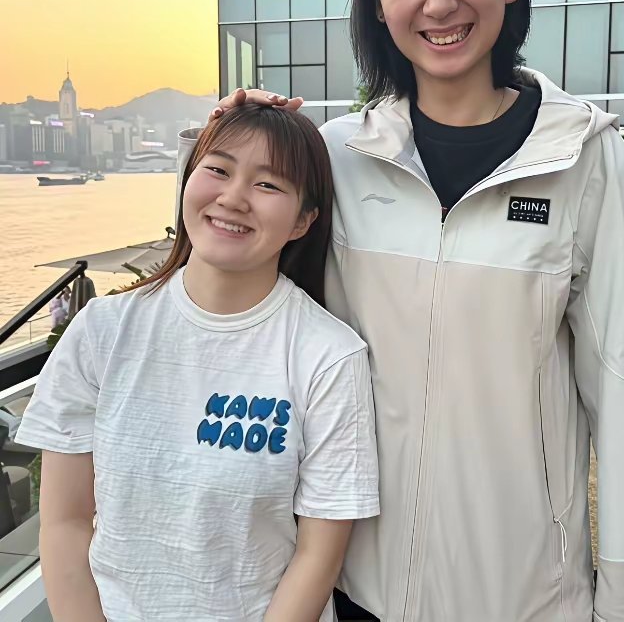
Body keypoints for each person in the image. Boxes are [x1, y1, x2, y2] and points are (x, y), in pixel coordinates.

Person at [193, 0, 624, 621]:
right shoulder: (338, 157)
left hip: (527, 599)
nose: (439, 2)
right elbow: (232, 294)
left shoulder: (585, 157)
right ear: (378, 4)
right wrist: (229, 144)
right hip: (353, 588)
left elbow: (622, 395)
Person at [16, 105, 379, 622]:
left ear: (303, 220)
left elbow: (317, 555)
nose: (233, 198)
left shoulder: (328, 355)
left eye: (269, 184)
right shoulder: (102, 331)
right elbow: (65, 522)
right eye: (218, 169)